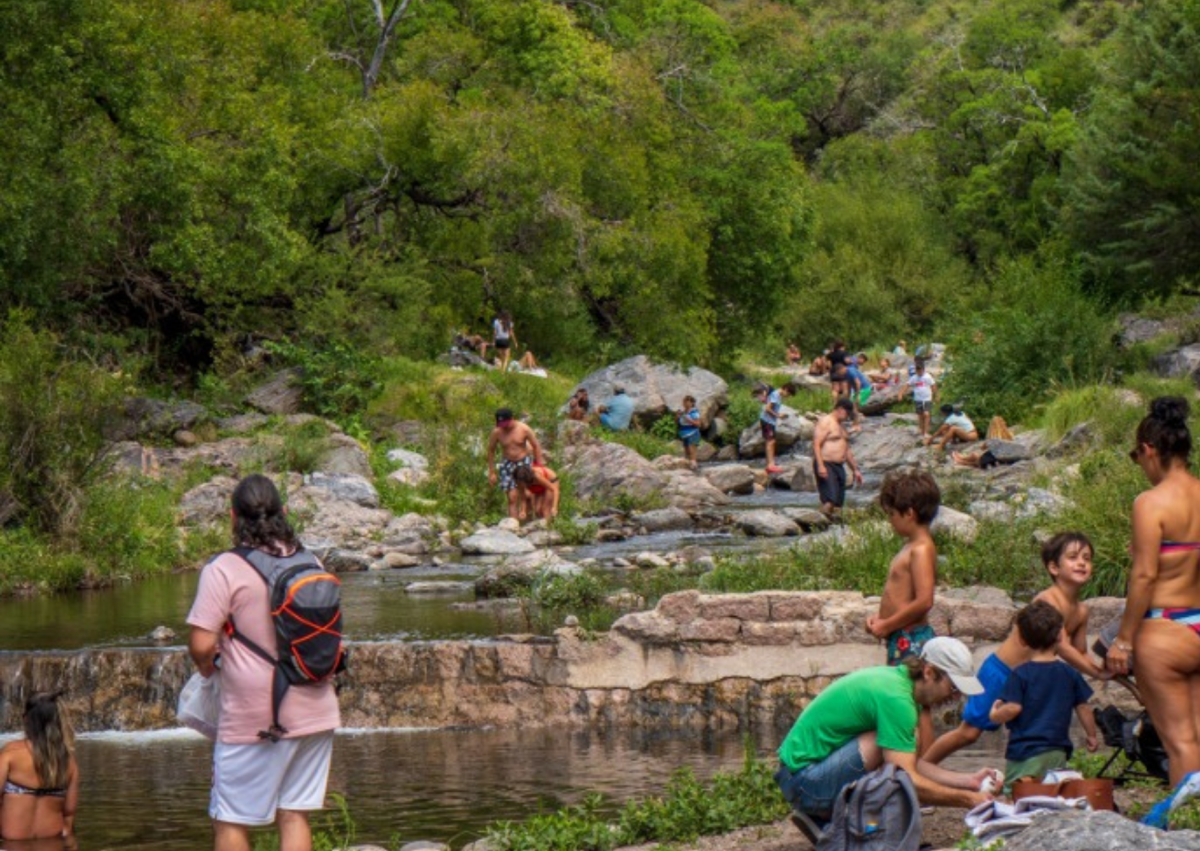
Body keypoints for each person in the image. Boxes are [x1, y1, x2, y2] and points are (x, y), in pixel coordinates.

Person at [187, 475, 340, 851]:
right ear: (284, 513)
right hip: (316, 707)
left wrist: (209, 669)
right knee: (294, 813)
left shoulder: (224, 568)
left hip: (256, 718)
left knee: (232, 819)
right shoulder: (311, 559)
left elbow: (201, 643)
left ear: (232, 517)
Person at [775, 637, 997, 838]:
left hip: (801, 775)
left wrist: (969, 782)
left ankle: (825, 818)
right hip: (803, 782)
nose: (955, 698)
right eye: (953, 687)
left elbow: (909, 764)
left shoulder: (901, 686)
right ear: (929, 672)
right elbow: (906, 776)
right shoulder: (898, 701)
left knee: (898, 751)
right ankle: (827, 814)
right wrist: (966, 800)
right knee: (892, 760)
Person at [925, 532, 1112, 764]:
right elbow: (1062, 646)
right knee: (969, 733)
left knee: (1027, 730)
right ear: (1054, 567)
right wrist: (1098, 672)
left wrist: (1104, 669)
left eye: (1087, 558)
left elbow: (1079, 652)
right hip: (1002, 672)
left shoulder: (1081, 611)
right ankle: (924, 767)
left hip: (1031, 678)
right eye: (1073, 557)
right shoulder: (1049, 600)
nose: (1082, 562)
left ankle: (1022, 779)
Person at [1107, 396, 1200, 785]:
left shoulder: (1151, 503)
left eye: (1137, 457)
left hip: (1165, 630)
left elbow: (1144, 577)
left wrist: (1124, 640)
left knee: (1180, 742)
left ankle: (1186, 833)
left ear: (1149, 450)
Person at [989, 601, 1099, 790]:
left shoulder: (1020, 674)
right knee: (1051, 793)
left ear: (1022, 640)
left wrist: (995, 714)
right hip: (1057, 750)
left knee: (1016, 794)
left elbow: (1014, 707)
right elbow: (1083, 706)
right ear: (1059, 636)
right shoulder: (1069, 673)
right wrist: (1092, 735)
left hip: (1025, 752)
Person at [867, 471, 940, 666]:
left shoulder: (921, 549)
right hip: (900, 635)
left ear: (909, 513)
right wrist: (880, 618)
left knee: (905, 691)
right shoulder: (911, 546)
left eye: (892, 514)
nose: (890, 520)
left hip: (911, 638)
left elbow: (924, 601)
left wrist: (887, 624)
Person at [0, 692, 79, 841]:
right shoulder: (68, 762)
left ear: (26, 719)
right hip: (51, 844)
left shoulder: (10, 754)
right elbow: (69, 816)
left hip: (12, 846)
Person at [486, 408, 544, 520]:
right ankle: (514, 526)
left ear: (512, 418)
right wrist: (491, 472)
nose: (504, 426)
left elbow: (536, 446)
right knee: (512, 497)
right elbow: (491, 451)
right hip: (507, 464)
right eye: (501, 424)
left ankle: (529, 520)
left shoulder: (524, 429)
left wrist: (538, 465)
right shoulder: (497, 432)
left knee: (527, 494)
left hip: (524, 462)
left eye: (506, 423)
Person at [811, 399, 864, 519]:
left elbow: (847, 450)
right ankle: (817, 522)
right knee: (830, 499)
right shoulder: (826, 422)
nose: (847, 418)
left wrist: (855, 469)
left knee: (838, 503)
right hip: (826, 463)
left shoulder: (841, 426)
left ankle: (830, 528)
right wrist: (820, 466)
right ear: (840, 409)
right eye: (847, 414)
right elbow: (816, 444)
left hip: (839, 466)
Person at [753, 382, 787, 474]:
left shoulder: (775, 394)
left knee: (771, 441)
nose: (788, 396)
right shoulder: (776, 395)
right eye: (788, 394)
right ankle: (770, 465)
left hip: (769, 421)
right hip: (767, 421)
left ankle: (770, 464)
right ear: (785, 389)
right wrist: (778, 415)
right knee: (770, 442)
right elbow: (768, 409)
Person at [901, 358, 937, 439]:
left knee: (926, 414)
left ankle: (926, 432)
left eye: (920, 369)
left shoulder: (928, 377)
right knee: (920, 415)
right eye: (917, 369)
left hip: (927, 398)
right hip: (918, 399)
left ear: (923, 369)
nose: (918, 371)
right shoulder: (914, 377)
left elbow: (933, 385)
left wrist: (936, 395)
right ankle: (921, 429)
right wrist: (901, 394)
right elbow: (907, 385)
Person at [677, 395, 702, 469]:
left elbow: (698, 424)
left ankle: (694, 465)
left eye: (687, 402)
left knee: (692, 451)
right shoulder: (683, 412)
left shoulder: (694, 412)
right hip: (684, 434)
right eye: (684, 402)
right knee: (687, 452)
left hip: (693, 433)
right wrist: (677, 417)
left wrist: (688, 419)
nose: (685, 404)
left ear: (692, 403)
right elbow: (679, 423)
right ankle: (689, 467)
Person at [828, 340, 850, 404]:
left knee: (835, 389)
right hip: (842, 370)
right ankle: (843, 404)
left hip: (833, 370)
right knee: (844, 388)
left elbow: (828, 364)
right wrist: (851, 361)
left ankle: (835, 403)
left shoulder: (831, 354)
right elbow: (847, 361)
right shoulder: (844, 353)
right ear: (842, 346)